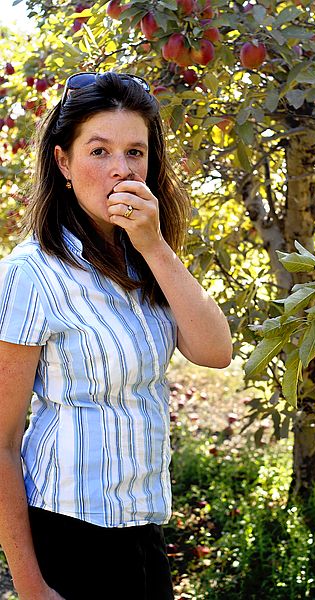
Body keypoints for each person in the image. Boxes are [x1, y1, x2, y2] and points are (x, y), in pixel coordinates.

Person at [0, 71, 233, 600]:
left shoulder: (144, 258)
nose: (121, 171)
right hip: (68, 536)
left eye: (135, 152)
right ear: (62, 162)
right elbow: (1, 441)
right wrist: (32, 587)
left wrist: (154, 246)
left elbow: (216, 351)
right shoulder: (31, 272)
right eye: (99, 151)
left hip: (142, 532)